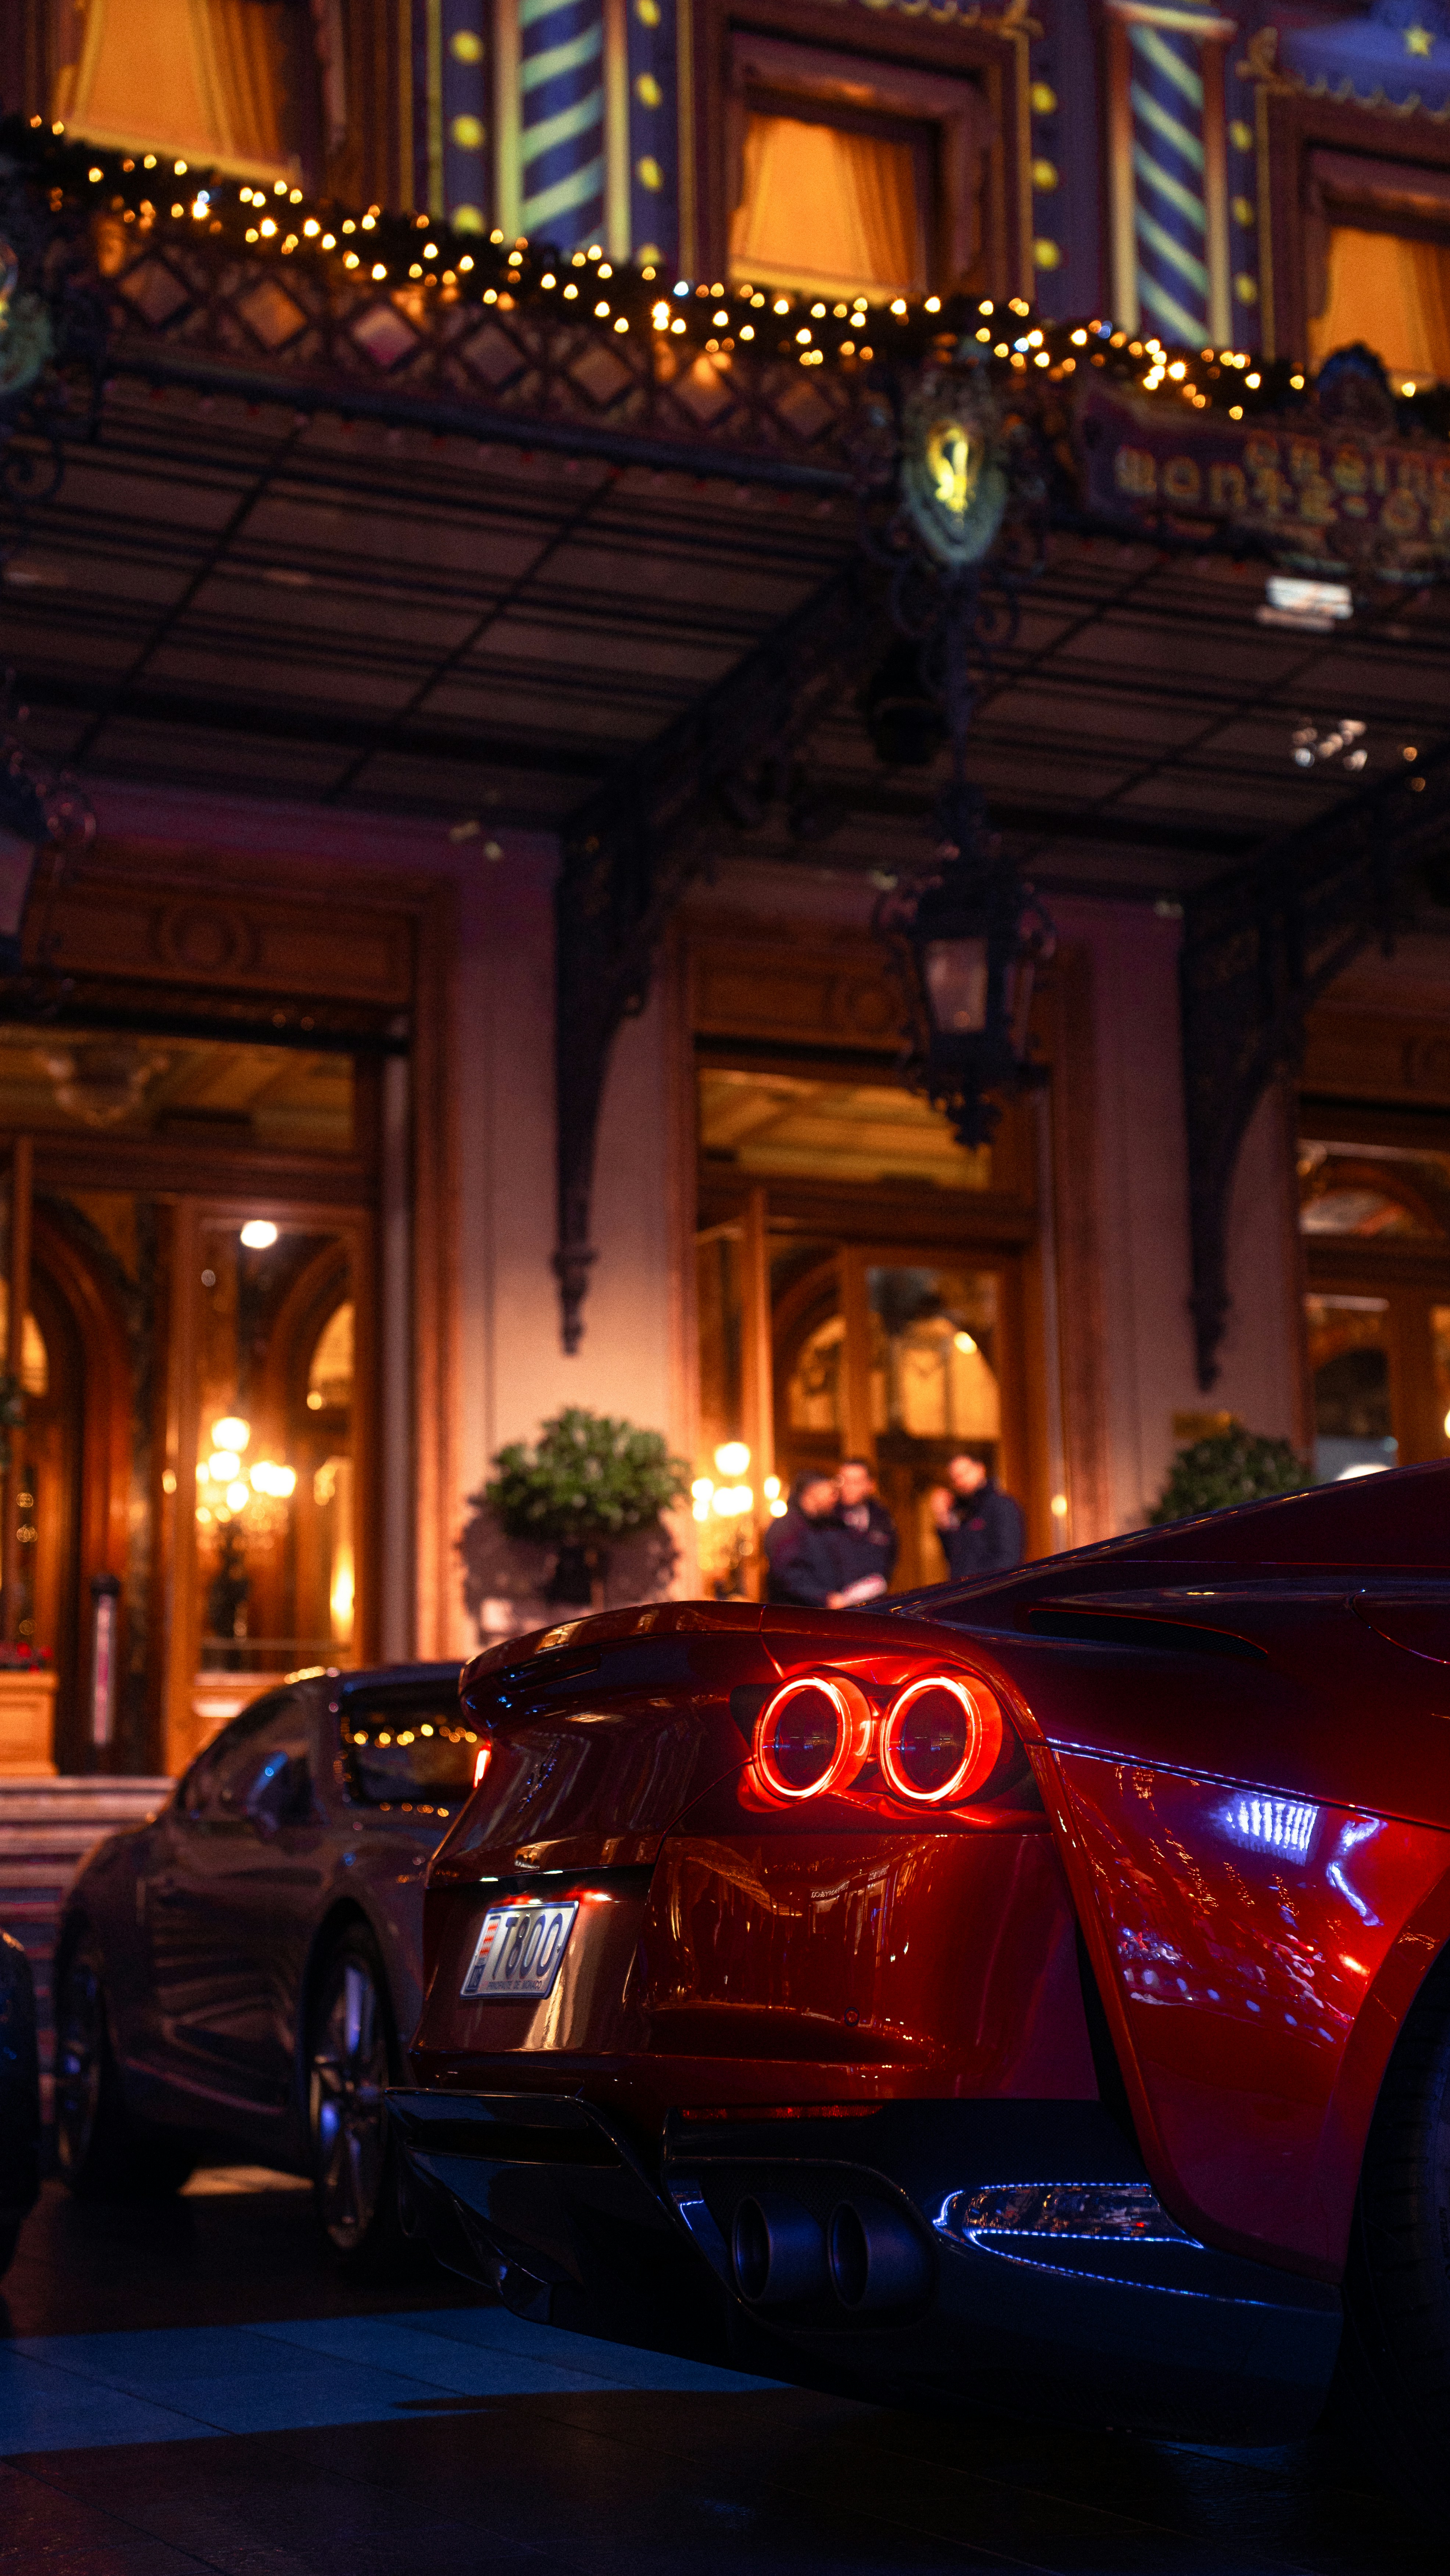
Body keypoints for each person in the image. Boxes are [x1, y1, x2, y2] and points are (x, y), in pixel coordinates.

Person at [930, 1452, 1025, 1584]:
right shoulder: (962, 1511)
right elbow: (955, 1560)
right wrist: (944, 1519)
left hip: (990, 1592)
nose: (961, 1481)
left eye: (965, 1473)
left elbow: (1008, 1560)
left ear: (981, 1469)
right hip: (965, 1593)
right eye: (955, 1478)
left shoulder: (1002, 1506)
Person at [763, 1471, 849, 1607]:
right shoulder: (787, 1527)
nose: (835, 1498)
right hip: (795, 1617)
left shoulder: (825, 1527)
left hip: (821, 1615)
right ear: (812, 1491)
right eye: (830, 1492)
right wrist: (823, 1599)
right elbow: (786, 1575)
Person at [834, 1457, 898, 1602]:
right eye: (844, 1481)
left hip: (872, 1605)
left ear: (871, 1485)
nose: (848, 1487)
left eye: (855, 1482)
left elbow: (890, 1560)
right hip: (835, 1608)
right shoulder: (829, 1518)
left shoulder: (882, 1518)